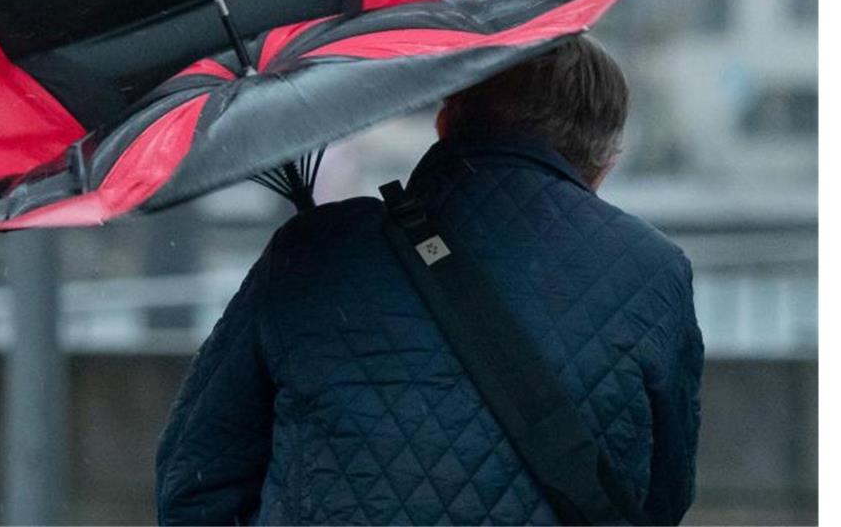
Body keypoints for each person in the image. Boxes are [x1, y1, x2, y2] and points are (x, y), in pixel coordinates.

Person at [155, 35, 704, 525]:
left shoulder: (313, 249)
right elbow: (661, 498)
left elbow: (194, 484)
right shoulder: (653, 273)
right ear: (604, 162)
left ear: (446, 122)